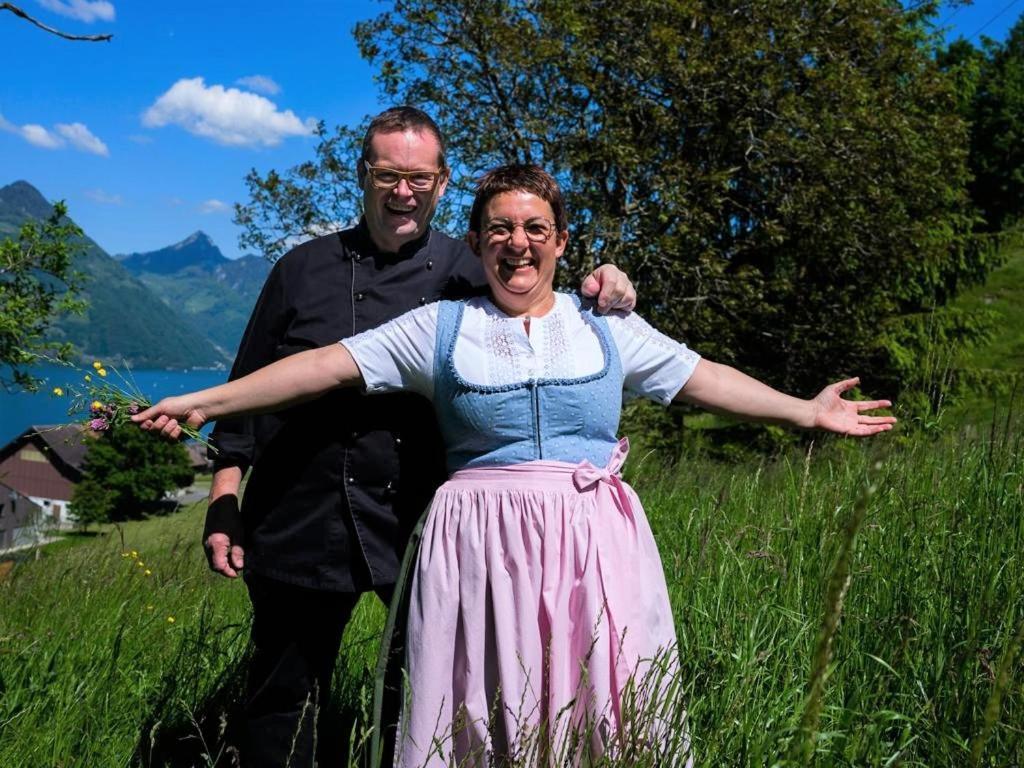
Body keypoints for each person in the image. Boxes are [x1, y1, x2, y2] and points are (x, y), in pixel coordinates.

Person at [136, 164, 895, 767]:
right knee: (478, 706)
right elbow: (322, 366)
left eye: (536, 228)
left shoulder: (606, 328)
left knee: (604, 699)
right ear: (475, 243)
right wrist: (210, 401)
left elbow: (701, 376)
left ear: (561, 242)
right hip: (477, 549)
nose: (517, 242)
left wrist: (806, 409)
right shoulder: (440, 328)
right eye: (499, 229)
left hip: (593, 542)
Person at [203, 108, 636, 767]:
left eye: (418, 176)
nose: (402, 190)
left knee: (436, 690)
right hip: (298, 510)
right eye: (387, 174)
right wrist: (224, 499)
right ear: (362, 175)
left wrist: (605, 279)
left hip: (422, 521)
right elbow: (248, 390)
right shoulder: (301, 269)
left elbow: (546, 296)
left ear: (442, 181)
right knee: (281, 697)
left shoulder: (475, 269)